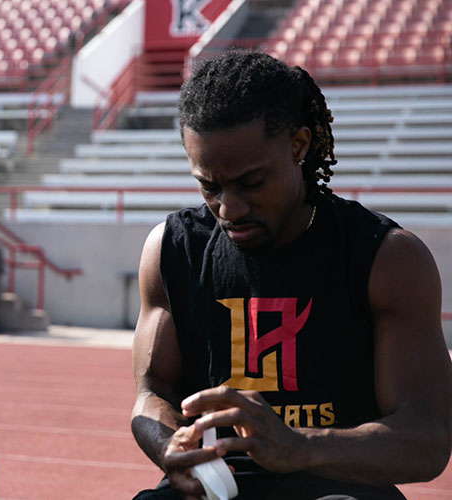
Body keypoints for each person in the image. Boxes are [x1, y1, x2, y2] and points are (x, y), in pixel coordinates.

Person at [131, 49, 452, 500]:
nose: (229, 207)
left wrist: (298, 447)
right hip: (216, 485)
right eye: (210, 186)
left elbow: (429, 439)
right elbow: (152, 393)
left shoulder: (387, 258)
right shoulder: (170, 249)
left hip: (340, 486)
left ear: (298, 146)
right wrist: (171, 450)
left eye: (251, 182)